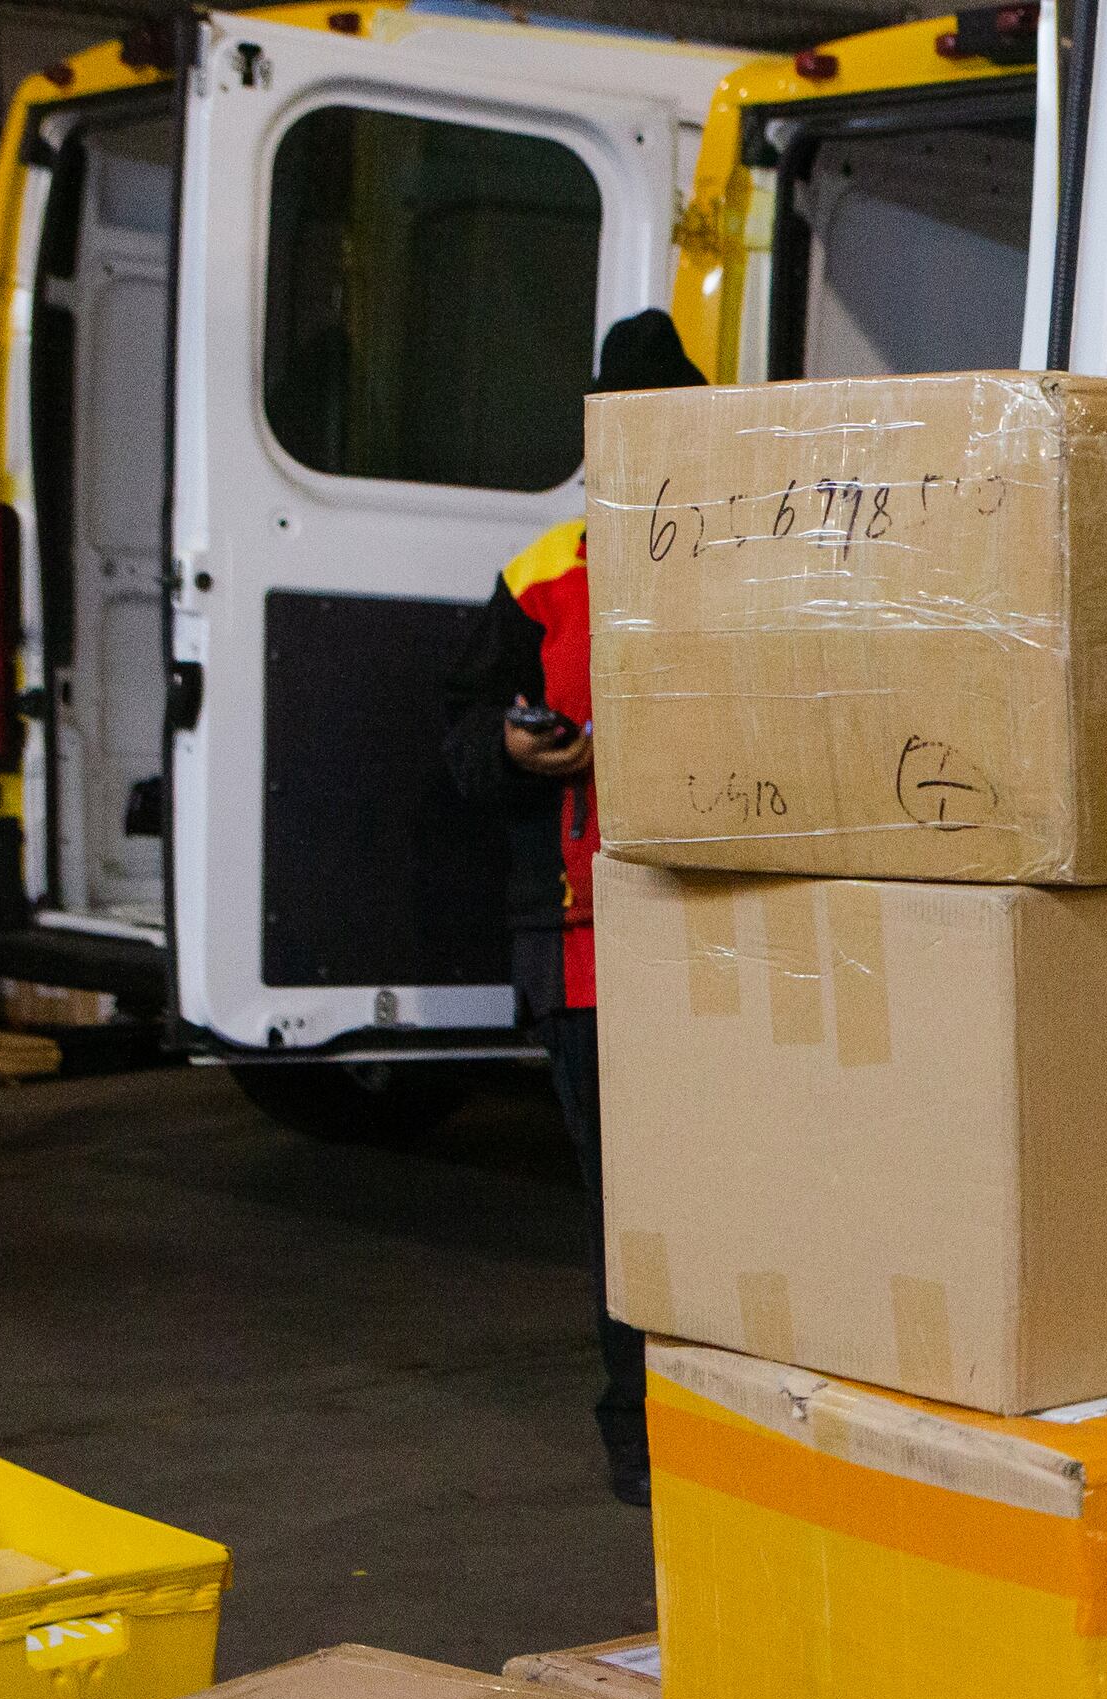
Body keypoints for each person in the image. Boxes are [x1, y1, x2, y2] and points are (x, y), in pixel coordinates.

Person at [441, 309, 706, 1504]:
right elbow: (458, 735)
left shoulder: (736, 560)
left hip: (715, 939)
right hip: (585, 946)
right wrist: (509, 746)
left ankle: (727, 1431)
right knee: (629, 1208)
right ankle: (641, 1437)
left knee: (721, 1191)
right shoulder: (541, 577)